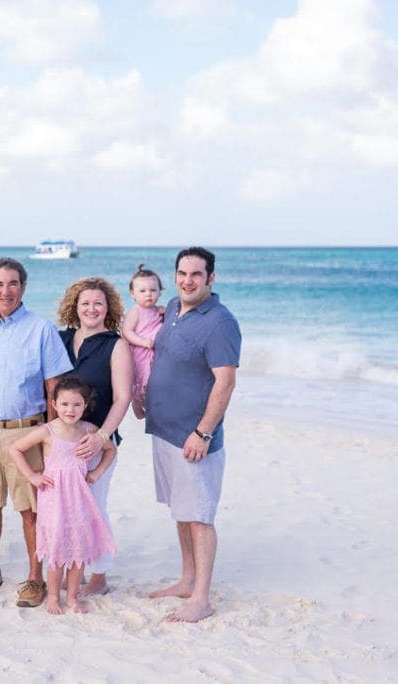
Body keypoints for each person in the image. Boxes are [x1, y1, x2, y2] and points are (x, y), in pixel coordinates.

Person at [0, 257, 73, 608]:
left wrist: (52, 438)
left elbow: (55, 388)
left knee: (31, 509)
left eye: (12, 284)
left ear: (22, 287)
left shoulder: (41, 329)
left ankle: (35, 578)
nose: (5, 291)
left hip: (28, 432)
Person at [145, 246, 241, 623]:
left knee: (199, 516)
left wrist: (203, 433)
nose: (188, 280)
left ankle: (201, 598)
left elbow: (226, 381)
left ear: (211, 278)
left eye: (196, 274)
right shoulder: (171, 307)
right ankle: (186, 580)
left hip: (194, 439)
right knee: (181, 512)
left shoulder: (220, 322)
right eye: (182, 273)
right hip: (164, 431)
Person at [9, 376, 116, 615]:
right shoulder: (48, 431)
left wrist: (97, 472)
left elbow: (110, 450)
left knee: (78, 550)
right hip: (54, 499)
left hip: (80, 499)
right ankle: (54, 597)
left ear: (85, 406)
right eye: (65, 404)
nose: (71, 410)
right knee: (57, 551)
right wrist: (33, 477)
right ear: (55, 404)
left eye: (77, 404)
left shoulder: (90, 430)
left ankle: (72, 596)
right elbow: (15, 449)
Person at [56, 277, 133, 596]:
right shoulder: (60, 338)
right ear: (75, 307)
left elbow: (123, 396)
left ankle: (99, 575)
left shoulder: (116, 344)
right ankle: (73, 568)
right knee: (65, 508)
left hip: (96, 442)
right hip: (61, 440)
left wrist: (103, 436)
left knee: (93, 507)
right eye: (85, 303)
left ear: (109, 308)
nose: (91, 308)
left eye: (98, 303)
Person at [122, 264, 164, 420]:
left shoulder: (158, 310)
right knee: (141, 380)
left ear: (160, 292)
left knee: (154, 381)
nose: (148, 294)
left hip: (154, 352)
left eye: (153, 290)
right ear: (133, 294)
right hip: (140, 352)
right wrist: (143, 342)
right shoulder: (135, 312)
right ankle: (138, 406)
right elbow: (127, 332)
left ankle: (149, 406)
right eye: (142, 291)